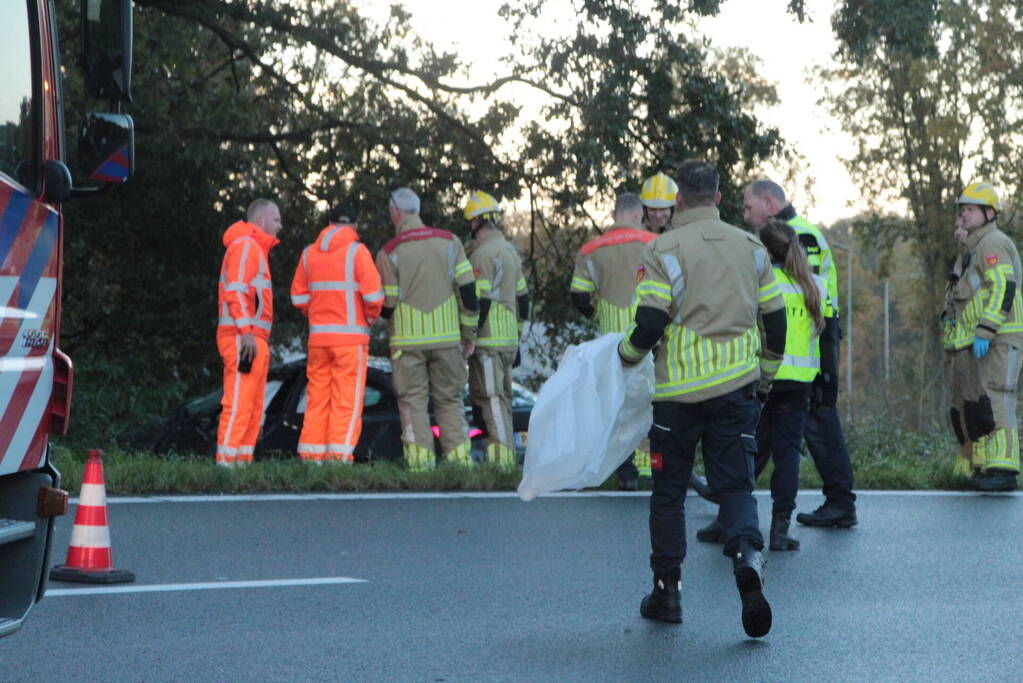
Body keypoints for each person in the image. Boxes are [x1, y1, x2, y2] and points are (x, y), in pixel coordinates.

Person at [619, 160, 786, 638]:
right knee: (735, 487)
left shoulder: (663, 249)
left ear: (677, 201)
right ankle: (747, 558)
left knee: (668, 494)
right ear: (717, 196)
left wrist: (624, 358)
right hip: (736, 390)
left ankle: (667, 592)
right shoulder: (750, 246)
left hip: (676, 399)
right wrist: (765, 378)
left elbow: (649, 324)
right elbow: (776, 324)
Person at [697, 220, 827, 551]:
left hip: (763, 377)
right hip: (799, 384)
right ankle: (779, 531)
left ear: (765, 251)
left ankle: (728, 517)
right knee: (787, 456)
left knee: (743, 448)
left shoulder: (760, 284)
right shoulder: (814, 284)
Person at [742, 179, 857, 528]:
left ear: (768, 203)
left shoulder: (799, 235)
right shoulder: (794, 232)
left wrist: (826, 366)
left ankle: (840, 500)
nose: (746, 215)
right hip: (802, 347)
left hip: (808, 345)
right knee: (766, 431)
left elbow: (811, 295)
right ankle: (730, 502)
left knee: (818, 422)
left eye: (749, 208)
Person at [375, 188, 479, 471]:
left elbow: (389, 303)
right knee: (450, 400)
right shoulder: (450, 242)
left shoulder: (389, 252)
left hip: (408, 344)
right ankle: (460, 466)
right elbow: (469, 291)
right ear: (417, 210)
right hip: (447, 340)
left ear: (394, 213)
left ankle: (421, 467)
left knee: (412, 404)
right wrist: (468, 334)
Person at [570, 192, 657, 489]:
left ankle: (626, 469)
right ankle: (651, 466)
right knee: (648, 401)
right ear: (637, 215)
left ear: (614, 215)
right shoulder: (653, 243)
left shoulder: (592, 249)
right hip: (649, 335)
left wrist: (596, 313)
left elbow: (578, 295)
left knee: (616, 404)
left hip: (611, 342)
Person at [943, 182, 1023, 491]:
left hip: (1000, 335)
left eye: (970, 210)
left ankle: (1004, 469)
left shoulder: (993, 243)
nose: (963, 216)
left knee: (996, 396)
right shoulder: (973, 248)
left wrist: (987, 329)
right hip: (978, 339)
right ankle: (982, 467)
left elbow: (1003, 287)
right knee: (976, 404)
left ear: (989, 213)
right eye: (962, 210)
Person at [290, 204, 383, 464]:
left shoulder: (309, 254)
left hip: (319, 341)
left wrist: (317, 313)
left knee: (317, 399)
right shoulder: (357, 252)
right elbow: (374, 298)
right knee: (346, 401)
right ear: (354, 225)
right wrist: (369, 319)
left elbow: (297, 297)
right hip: (350, 342)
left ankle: (311, 457)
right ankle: (337, 459)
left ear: (329, 223)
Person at [462, 191, 529, 469]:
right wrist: (518, 338)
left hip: (488, 341)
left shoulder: (482, 255)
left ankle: (501, 461)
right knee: (503, 399)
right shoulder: (510, 251)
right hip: (508, 342)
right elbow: (523, 300)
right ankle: (505, 458)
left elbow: (482, 301)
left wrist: (471, 336)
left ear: (475, 221)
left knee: (489, 399)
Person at [215, 198, 282, 467]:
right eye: (276, 219)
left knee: (252, 407)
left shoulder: (252, 248)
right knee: (240, 403)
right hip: (243, 337)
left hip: (249, 337)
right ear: (261, 220)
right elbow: (236, 291)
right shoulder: (246, 247)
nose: (280, 225)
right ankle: (227, 464)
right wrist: (246, 332)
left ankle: (240, 464)